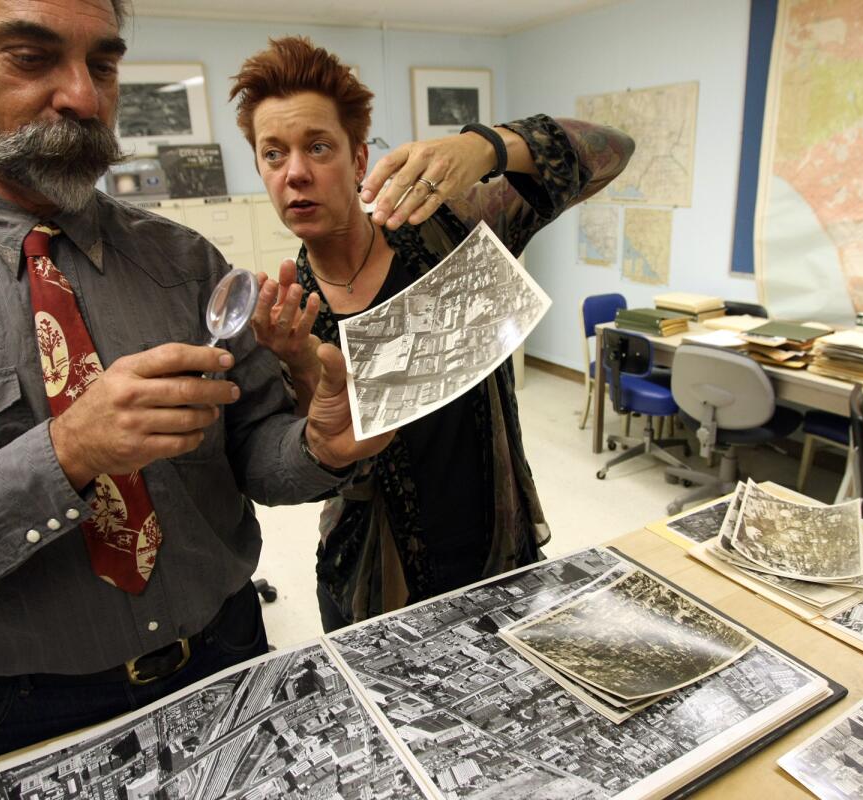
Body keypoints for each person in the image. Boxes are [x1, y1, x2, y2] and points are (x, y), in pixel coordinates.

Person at [0, 1, 390, 773]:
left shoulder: (186, 263)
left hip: (228, 659)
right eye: (32, 57)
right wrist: (65, 452)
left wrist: (318, 447)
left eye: (104, 65)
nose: (84, 98)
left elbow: (256, 453)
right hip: (23, 714)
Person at [230, 37, 635, 631]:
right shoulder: (291, 315)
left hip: (500, 552)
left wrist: (487, 148)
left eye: (318, 146)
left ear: (359, 157)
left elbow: (613, 153)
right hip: (372, 581)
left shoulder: (456, 231)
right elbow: (321, 468)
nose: (295, 173)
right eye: (273, 154)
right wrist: (297, 366)